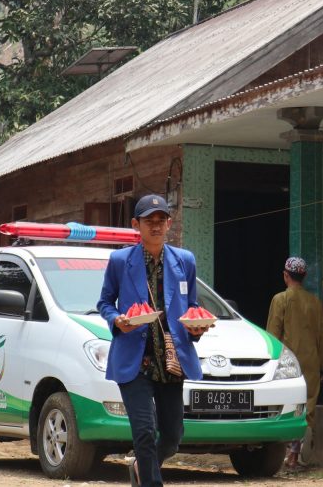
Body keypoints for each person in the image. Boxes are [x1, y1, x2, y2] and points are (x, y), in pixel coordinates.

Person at [97, 194, 210, 487]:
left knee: (172, 437)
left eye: (162, 220)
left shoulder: (185, 261)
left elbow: (192, 306)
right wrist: (117, 320)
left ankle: (140, 470)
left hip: (171, 361)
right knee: (145, 432)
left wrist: (195, 328)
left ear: (169, 224)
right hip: (134, 361)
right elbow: (105, 303)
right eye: (150, 221)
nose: (156, 226)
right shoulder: (120, 261)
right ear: (137, 224)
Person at [266, 256, 323, 469]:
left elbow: (273, 335)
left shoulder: (280, 299)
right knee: (307, 407)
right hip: (311, 361)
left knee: (288, 406)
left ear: (286, 275)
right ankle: (295, 452)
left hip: (288, 363)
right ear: (304, 277)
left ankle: (288, 453)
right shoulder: (315, 302)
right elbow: (322, 336)